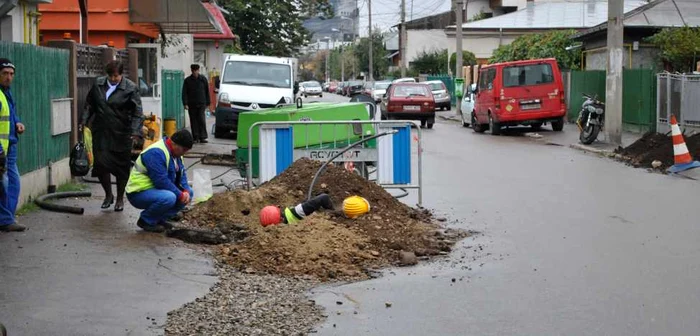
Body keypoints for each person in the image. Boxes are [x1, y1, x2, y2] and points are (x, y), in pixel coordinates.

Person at [82, 60, 144, 212]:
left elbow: (137, 112)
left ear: (121, 75)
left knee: (121, 167)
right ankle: (108, 195)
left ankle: (120, 198)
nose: (113, 79)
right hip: (101, 132)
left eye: (116, 76)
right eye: (110, 75)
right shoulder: (98, 84)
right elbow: (89, 104)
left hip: (121, 133)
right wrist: (84, 121)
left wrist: (135, 132)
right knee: (101, 165)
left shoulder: (130, 88)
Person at [126, 129, 194, 233]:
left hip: (156, 190)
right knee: (169, 197)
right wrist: (180, 195)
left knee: (190, 192)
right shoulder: (156, 153)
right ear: (174, 144)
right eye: (184, 149)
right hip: (138, 193)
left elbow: (182, 175)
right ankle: (146, 220)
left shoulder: (176, 154)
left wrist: (186, 191)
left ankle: (159, 219)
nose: (184, 153)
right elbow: (161, 181)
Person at [0, 58, 27, 232]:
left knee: (12, 184)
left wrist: (17, 122)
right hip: (2, 149)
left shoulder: (6, 92)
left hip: (10, 146)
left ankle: (6, 218)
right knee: (4, 184)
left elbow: (10, 113)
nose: (9, 77)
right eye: (4, 74)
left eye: (11, 74)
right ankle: (5, 220)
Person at [259, 193, 335, 227]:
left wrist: (333, 214)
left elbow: (323, 198)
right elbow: (324, 197)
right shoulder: (296, 213)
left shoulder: (296, 213)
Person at [182, 64, 210, 144]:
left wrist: (208, 102)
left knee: (201, 119)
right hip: (192, 103)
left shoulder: (203, 79)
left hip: (201, 103)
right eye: (193, 71)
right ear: (192, 71)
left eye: (196, 70)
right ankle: (195, 137)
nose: (195, 72)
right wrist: (185, 103)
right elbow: (184, 93)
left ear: (198, 70)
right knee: (193, 120)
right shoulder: (187, 80)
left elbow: (207, 91)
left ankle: (203, 137)